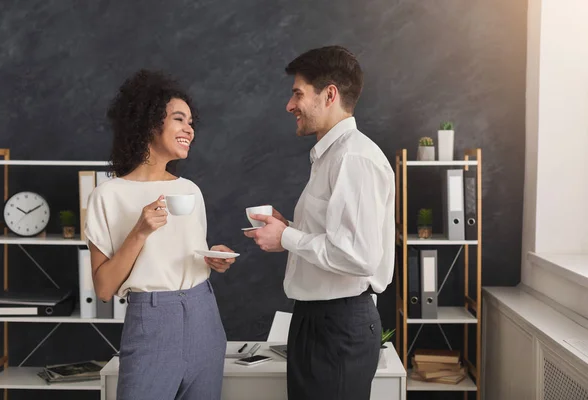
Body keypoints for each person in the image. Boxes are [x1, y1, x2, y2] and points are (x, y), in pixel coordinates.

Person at [244, 46, 395, 400]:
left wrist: (288, 238)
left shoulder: (353, 159)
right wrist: (289, 227)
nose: (289, 105)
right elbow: (336, 236)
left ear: (329, 95)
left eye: (298, 93)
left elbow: (359, 256)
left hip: (337, 327)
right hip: (319, 324)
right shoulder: (331, 157)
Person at [85, 69, 235, 400]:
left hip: (204, 317)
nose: (189, 129)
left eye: (191, 122)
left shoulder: (190, 191)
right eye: (179, 120)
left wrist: (211, 259)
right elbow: (105, 288)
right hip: (152, 323)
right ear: (150, 123)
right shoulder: (108, 195)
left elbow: (186, 256)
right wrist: (139, 231)